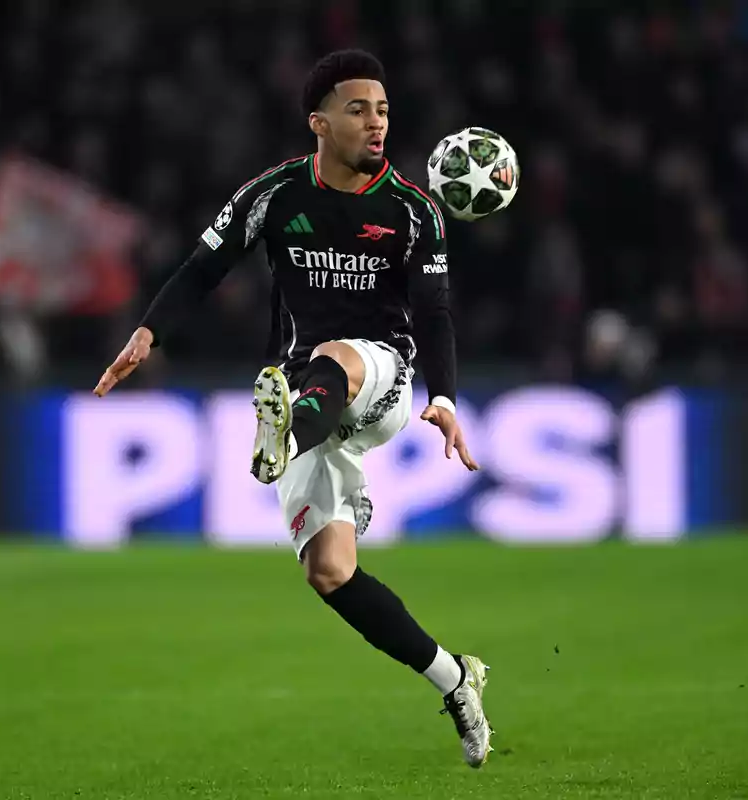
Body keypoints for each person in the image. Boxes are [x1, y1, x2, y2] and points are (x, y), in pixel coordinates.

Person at [93, 49, 493, 767]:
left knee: (335, 355)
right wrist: (147, 333)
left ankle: (287, 436)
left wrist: (445, 397)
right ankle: (455, 678)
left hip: (381, 377)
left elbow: (434, 311)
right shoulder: (274, 195)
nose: (377, 123)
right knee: (329, 572)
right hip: (311, 391)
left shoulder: (412, 209)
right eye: (358, 109)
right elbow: (201, 268)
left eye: (384, 110)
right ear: (319, 122)